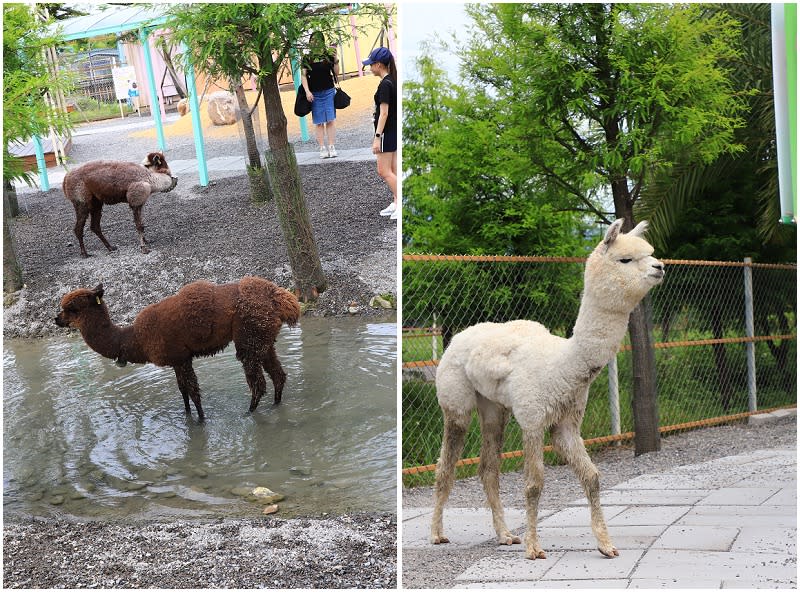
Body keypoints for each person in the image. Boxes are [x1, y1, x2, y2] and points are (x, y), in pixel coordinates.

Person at [362, 46, 398, 220]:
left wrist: (377, 138)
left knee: (383, 171)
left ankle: (401, 203)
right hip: (393, 131)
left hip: (386, 133)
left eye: (371, 64)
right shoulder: (393, 80)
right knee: (393, 170)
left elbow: (383, 113)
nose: (370, 68)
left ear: (379, 65)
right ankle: (397, 201)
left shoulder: (385, 84)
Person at [301, 31, 339, 159]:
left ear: (322, 42)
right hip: (315, 93)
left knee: (330, 119)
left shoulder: (327, 56)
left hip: (328, 90)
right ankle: (322, 147)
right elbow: (303, 75)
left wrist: (336, 59)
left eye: (317, 40)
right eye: (312, 40)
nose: (315, 42)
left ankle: (332, 146)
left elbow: (336, 73)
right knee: (318, 122)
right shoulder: (307, 58)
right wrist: (307, 91)